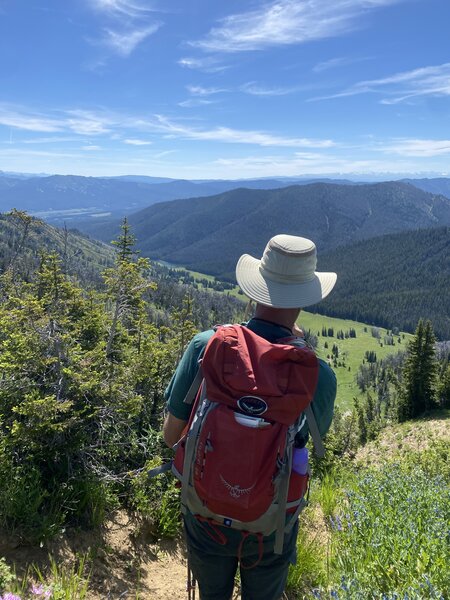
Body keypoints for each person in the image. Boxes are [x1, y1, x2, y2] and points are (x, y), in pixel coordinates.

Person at [163, 234, 337, 600]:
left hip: (204, 512)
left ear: (254, 289)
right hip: (272, 524)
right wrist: (298, 349)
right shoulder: (318, 375)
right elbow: (310, 447)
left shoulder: (206, 346)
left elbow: (171, 434)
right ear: (305, 298)